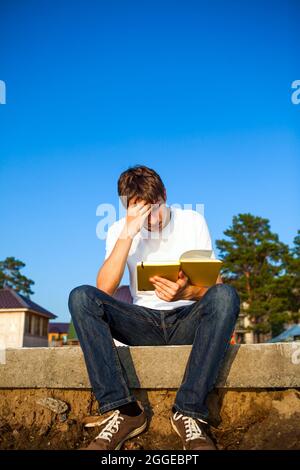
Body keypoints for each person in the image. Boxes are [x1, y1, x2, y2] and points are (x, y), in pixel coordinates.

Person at [68, 164, 240, 450]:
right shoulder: (119, 229)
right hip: (142, 323)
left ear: (165, 196)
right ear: (126, 208)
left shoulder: (192, 221)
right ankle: (124, 412)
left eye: (155, 207)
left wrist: (188, 291)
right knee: (80, 297)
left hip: (187, 319)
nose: (152, 218)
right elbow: (104, 290)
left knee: (226, 295)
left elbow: (217, 288)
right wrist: (127, 234)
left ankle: (188, 410)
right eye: (141, 211)